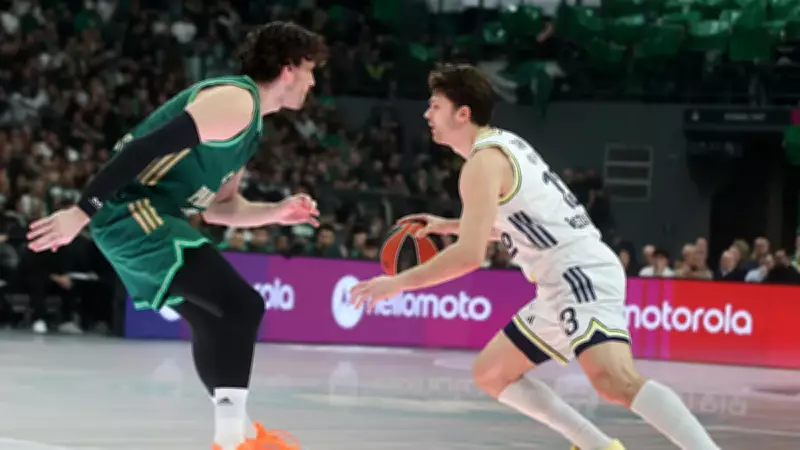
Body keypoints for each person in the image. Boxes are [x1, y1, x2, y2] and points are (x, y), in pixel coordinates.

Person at [350, 64, 720, 450]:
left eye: (435, 106)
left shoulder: (482, 164)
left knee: (615, 381)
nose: (427, 114)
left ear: (463, 113)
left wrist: (397, 283)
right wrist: (451, 225)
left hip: (578, 272)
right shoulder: (505, 144)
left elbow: (469, 257)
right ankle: (597, 447)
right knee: (492, 372)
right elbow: (520, 224)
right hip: (559, 280)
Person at [26, 21, 327, 450]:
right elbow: (143, 148)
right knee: (243, 304)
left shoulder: (251, 126)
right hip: (130, 210)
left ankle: (239, 433)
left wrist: (277, 212)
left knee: (212, 318)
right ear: (288, 68)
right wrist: (81, 210)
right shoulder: (236, 100)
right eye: (311, 70)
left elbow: (220, 209)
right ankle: (231, 441)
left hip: (150, 214)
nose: (313, 82)